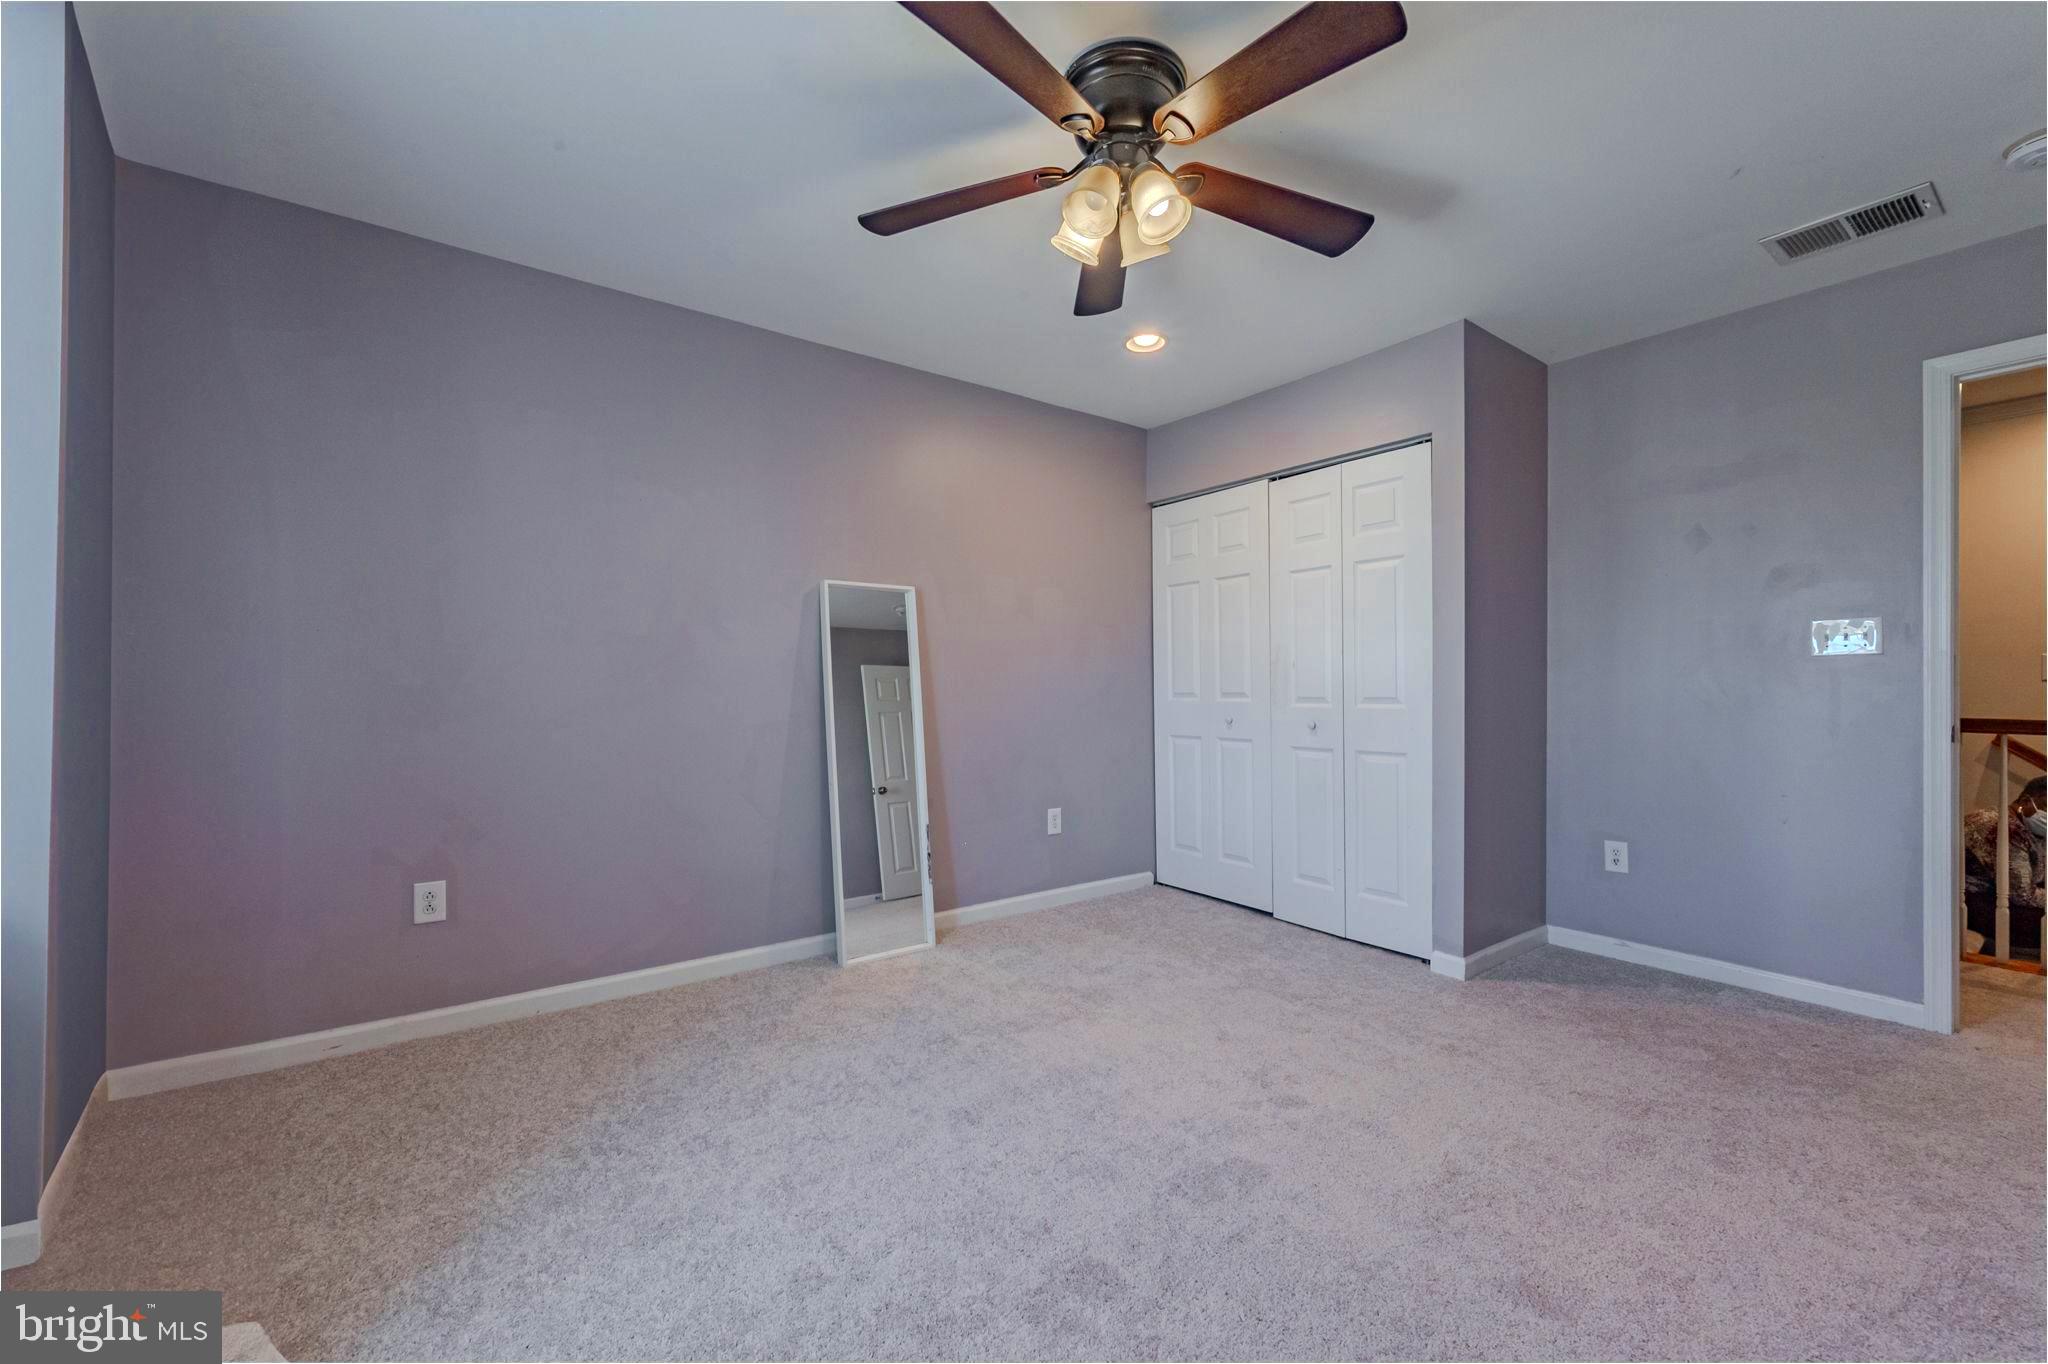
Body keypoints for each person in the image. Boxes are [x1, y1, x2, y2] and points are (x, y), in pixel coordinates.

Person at [1963, 775, 2046, 956]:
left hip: (2001, 893)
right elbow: (2022, 895)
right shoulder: (2005, 828)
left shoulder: (2028, 827)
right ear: (2026, 801)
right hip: (1977, 900)